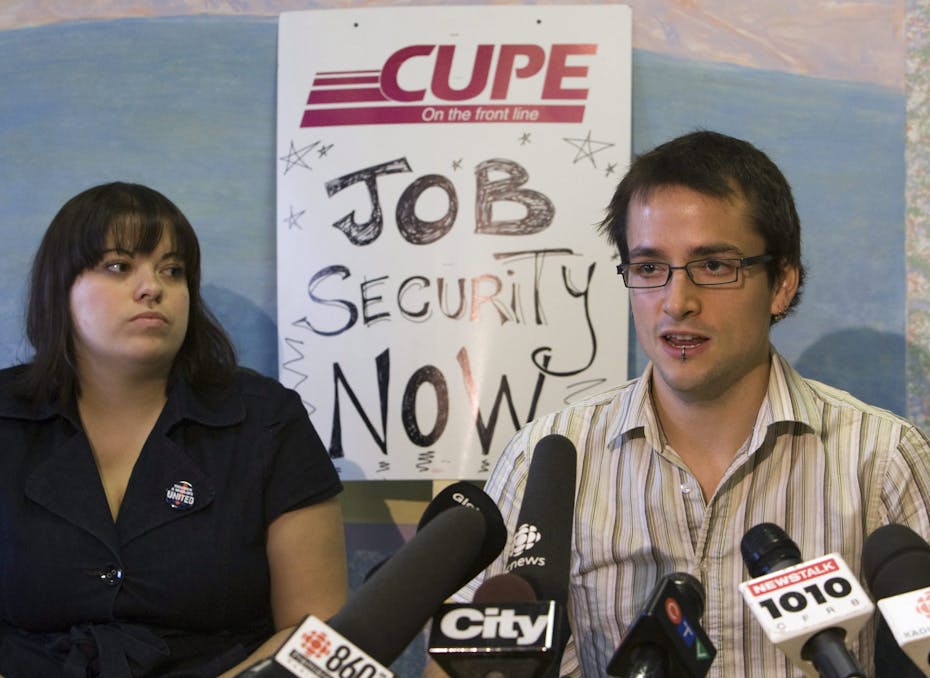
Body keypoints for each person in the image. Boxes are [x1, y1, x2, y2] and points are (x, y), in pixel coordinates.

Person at [429, 130, 930, 676]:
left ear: (782, 283)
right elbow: (466, 661)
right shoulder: (548, 460)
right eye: (648, 268)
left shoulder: (882, 457)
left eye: (714, 266)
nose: (677, 302)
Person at [0, 182, 348, 677]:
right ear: (62, 287)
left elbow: (319, 627)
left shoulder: (267, 421)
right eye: (119, 266)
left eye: (173, 270)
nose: (153, 287)